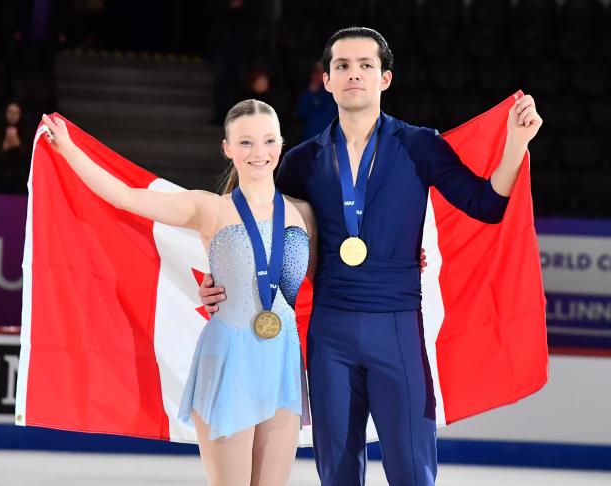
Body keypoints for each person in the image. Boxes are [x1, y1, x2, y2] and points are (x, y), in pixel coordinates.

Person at [199, 27, 543, 486]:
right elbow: (258, 226)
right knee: (337, 473)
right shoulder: (302, 161)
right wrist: (218, 277)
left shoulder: (419, 146)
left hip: (397, 327)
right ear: (327, 80)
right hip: (331, 336)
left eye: (365, 65)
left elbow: (486, 205)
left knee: (411, 471)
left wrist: (516, 144)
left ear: (385, 79)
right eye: (342, 66)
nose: (353, 74)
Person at [40, 99, 317, 486]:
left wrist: (409, 259)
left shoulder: (304, 214)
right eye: (246, 143)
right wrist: (68, 149)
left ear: (281, 144)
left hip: (283, 362)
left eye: (269, 141)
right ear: (227, 149)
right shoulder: (209, 208)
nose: (259, 153)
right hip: (228, 360)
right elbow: (126, 197)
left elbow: (341, 275)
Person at [0, 101, 31, 194]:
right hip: (0, 173)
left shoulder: (26, 130)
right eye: (10, 112)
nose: (13, 116)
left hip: (20, 174)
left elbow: (30, 157)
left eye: (16, 113)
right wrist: (4, 146)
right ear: (5, 113)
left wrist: (19, 145)